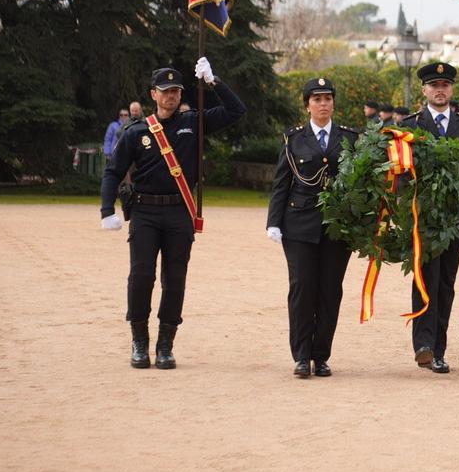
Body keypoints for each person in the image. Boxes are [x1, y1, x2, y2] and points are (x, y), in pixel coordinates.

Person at [100, 59, 245, 368]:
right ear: (154, 94)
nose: (171, 96)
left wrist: (213, 82)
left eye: (176, 91)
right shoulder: (135, 131)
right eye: (165, 91)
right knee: (141, 278)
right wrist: (106, 209)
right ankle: (140, 342)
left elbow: (236, 112)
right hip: (145, 213)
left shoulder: (193, 123)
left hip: (179, 213)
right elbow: (113, 172)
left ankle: (166, 345)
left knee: (175, 279)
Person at [399, 62, 459, 373]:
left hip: (456, 218)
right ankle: (423, 345)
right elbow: (399, 174)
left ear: (452, 90)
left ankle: (438, 348)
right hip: (422, 216)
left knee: (446, 284)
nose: (440, 90)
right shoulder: (410, 126)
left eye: (445, 85)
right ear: (424, 90)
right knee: (425, 279)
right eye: (434, 85)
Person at [266, 78, 358, 378]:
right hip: (299, 224)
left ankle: (322, 355)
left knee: (330, 290)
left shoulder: (350, 139)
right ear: (307, 104)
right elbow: (282, 183)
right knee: (302, 288)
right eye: (317, 99)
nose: (323, 104)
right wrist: (274, 222)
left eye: (328, 98)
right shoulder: (293, 139)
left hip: (338, 225)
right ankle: (302, 355)